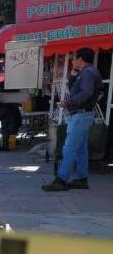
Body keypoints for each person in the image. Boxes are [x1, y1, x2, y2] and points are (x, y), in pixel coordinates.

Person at [43, 47, 102, 192]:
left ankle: (61, 180)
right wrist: (73, 76)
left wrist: (68, 103)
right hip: (82, 115)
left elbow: (86, 92)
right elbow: (77, 90)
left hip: (80, 115)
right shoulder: (87, 73)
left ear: (80, 59)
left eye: (74, 58)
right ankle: (82, 179)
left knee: (69, 148)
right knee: (81, 149)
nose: (72, 61)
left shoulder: (87, 73)